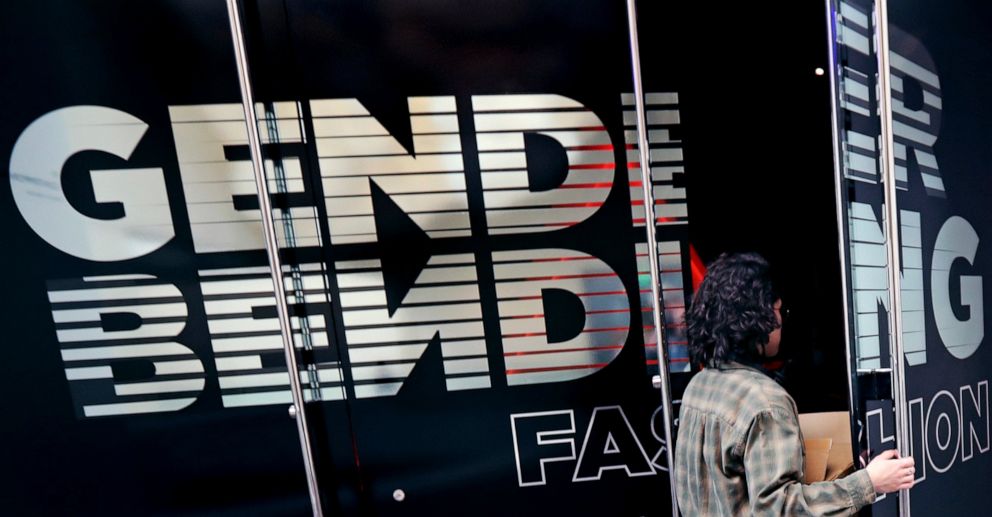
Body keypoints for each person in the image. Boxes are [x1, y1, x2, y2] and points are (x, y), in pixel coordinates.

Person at [674, 252, 915, 515]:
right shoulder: (765, 401)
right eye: (779, 311)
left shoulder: (698, 385)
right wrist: (869, 483)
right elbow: (779, 509)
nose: (781, 322)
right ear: (757, 317)